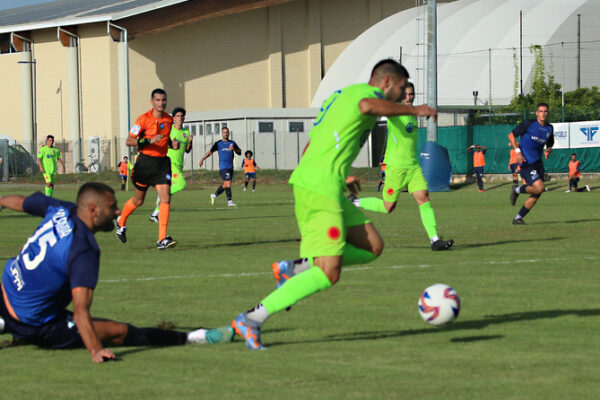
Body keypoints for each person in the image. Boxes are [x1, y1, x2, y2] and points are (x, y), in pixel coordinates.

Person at [230, 59, 437, 350]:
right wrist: (416, 110)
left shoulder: (342, 96)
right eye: (402, 88)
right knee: (329, 271)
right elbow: (369, 107)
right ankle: (252, 319)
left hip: (325, 183)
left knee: (373, 246)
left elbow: (311, 145)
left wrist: (340, 173)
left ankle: (296, 267)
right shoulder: (367, 98)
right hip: (319, 188)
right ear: (387, 81)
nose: (404, 95)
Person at [0, 183, 233, 363]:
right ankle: (194, 337)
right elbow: (81, 312)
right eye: (112, 207)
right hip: (32, 322)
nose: (118, 210)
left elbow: (22, 201)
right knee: (120, 332)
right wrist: (96, 350)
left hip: (5, 290)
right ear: (93, 210)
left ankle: (5, 322)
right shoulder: (84, 248)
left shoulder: (62, 210)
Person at [352, 82, 453, 251]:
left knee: (424, 198)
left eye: (411, 94)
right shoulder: (395, 113)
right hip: (395, 168)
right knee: (388, 207)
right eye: (406, 94)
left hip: (413, 167)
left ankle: (435, 240)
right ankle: (355, 202)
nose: (409, 97)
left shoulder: (411, 114)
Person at [115, 88, 179, 249]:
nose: (161, 103)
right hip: (145, 163)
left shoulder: (169, 120)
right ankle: (121, 221)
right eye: (158, 100)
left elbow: (165, 139)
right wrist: (148, 141)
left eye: (163, 100)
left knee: (165, 198)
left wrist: (172, 144)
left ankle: (162, 239)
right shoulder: (143, 119)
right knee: (138, 200)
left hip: (162, 164)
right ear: (152, 101)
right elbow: (129, 141)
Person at [508, 103, 554, 224]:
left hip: (538, 164)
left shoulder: (549, 128)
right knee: (540, 188)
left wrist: (548, 149)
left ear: (548, 113)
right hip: (526, 163)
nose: (543, 113)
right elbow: (511, 135)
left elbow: (550, 141)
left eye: (545, 111)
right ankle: (517, 189)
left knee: (537, 193)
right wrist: (518, 151)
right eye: (540, 111)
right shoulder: (529, 124)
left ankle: (518, 218)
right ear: (537, 113)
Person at [150, 107, 193, 222]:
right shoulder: (169, 130)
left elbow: (187, 150)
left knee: (169, 189)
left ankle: (155, 213)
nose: (180, 118)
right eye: (178, 116)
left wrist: (190, 142)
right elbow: (160, 142)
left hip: (179, 165)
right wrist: (171, 145)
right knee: (181, 183)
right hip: (169, 164)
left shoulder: (186, 132)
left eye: (182, 116)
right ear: (173, 118)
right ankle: (162, 197)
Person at [199, 127, 241, 207]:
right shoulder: (218, 143)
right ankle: (229, 201)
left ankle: (214, 196)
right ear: (222, 133)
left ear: (229, 133)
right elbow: (210, 152)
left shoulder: (232, 143)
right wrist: (203, 159)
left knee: (226, 184)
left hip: (230, 167)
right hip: (223, 167)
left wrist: (234, 149)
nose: (226, 134)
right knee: (228, 182)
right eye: (224, 132)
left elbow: (239, 152)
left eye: (227, 132)